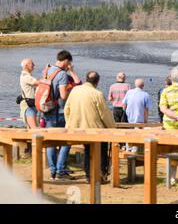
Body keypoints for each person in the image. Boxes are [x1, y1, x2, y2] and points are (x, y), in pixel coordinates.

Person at [65, 71, 115, 183]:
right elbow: (104, 114)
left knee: (88, 151)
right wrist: (112, 127)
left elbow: (67, 109)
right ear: (97, 82)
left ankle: (88, 175)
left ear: (86, 79)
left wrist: (70, 124)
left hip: (79, 128)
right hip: (96, 130)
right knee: (102, 152)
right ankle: (101, 175)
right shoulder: (97, 94)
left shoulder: (75, 90)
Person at [43, 50, 80, 181]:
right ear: (66, 61)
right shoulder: (62, 74)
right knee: (66, 141)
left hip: (47, 110)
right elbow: (63, 95)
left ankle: (53, 171)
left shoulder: (47, 70)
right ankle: (60, 171)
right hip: (59, 112)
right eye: (69, 63)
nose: (68, 65)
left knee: (50, 142)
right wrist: (71, 92)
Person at [19, 58, 40, 129]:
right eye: (32, 63)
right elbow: (39, 83)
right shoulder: (26, 77)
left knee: (31, 128)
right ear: (26, 66)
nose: (34, 65)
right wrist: (46, 73)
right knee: (34, 129)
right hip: (28, 106)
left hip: (30, 104)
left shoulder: (27, 76)